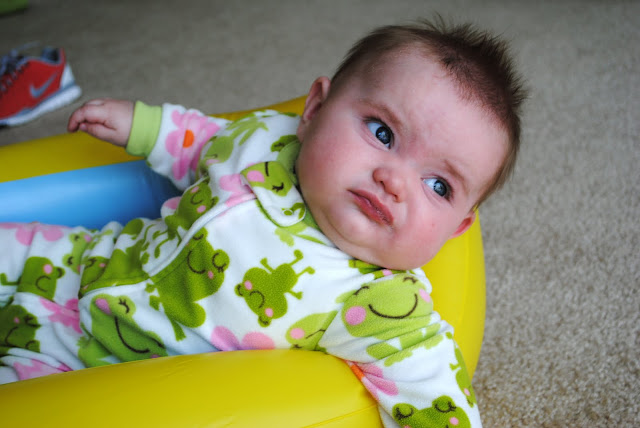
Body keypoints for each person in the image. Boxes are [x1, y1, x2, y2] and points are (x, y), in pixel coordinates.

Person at [0, 17, 526, 427]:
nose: (394, 180)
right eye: (382, 133)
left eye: (439, 186)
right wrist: (142, 124)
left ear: (456, 229)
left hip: (91, 363)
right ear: (314, 110)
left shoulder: (381, 303)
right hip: (75, 259)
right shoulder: (267, 138)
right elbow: (202, 140)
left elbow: (434, 389)